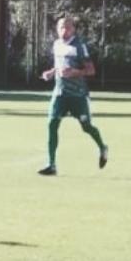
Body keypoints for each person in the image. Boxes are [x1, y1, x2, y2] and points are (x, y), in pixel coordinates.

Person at [38, 16, 108, 176]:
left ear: (73, 29)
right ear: (57, 29)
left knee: (86, 127)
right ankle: (51, 164)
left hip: (78, 95)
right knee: (52, 124)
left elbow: (91, 70)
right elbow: (59, 66)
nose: (64, 31)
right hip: (60, 94)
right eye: (61, 27)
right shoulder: (56, 45)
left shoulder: (79, 46)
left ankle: (102, 147)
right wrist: (51, 72)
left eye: (67, 28)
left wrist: (76, 72)